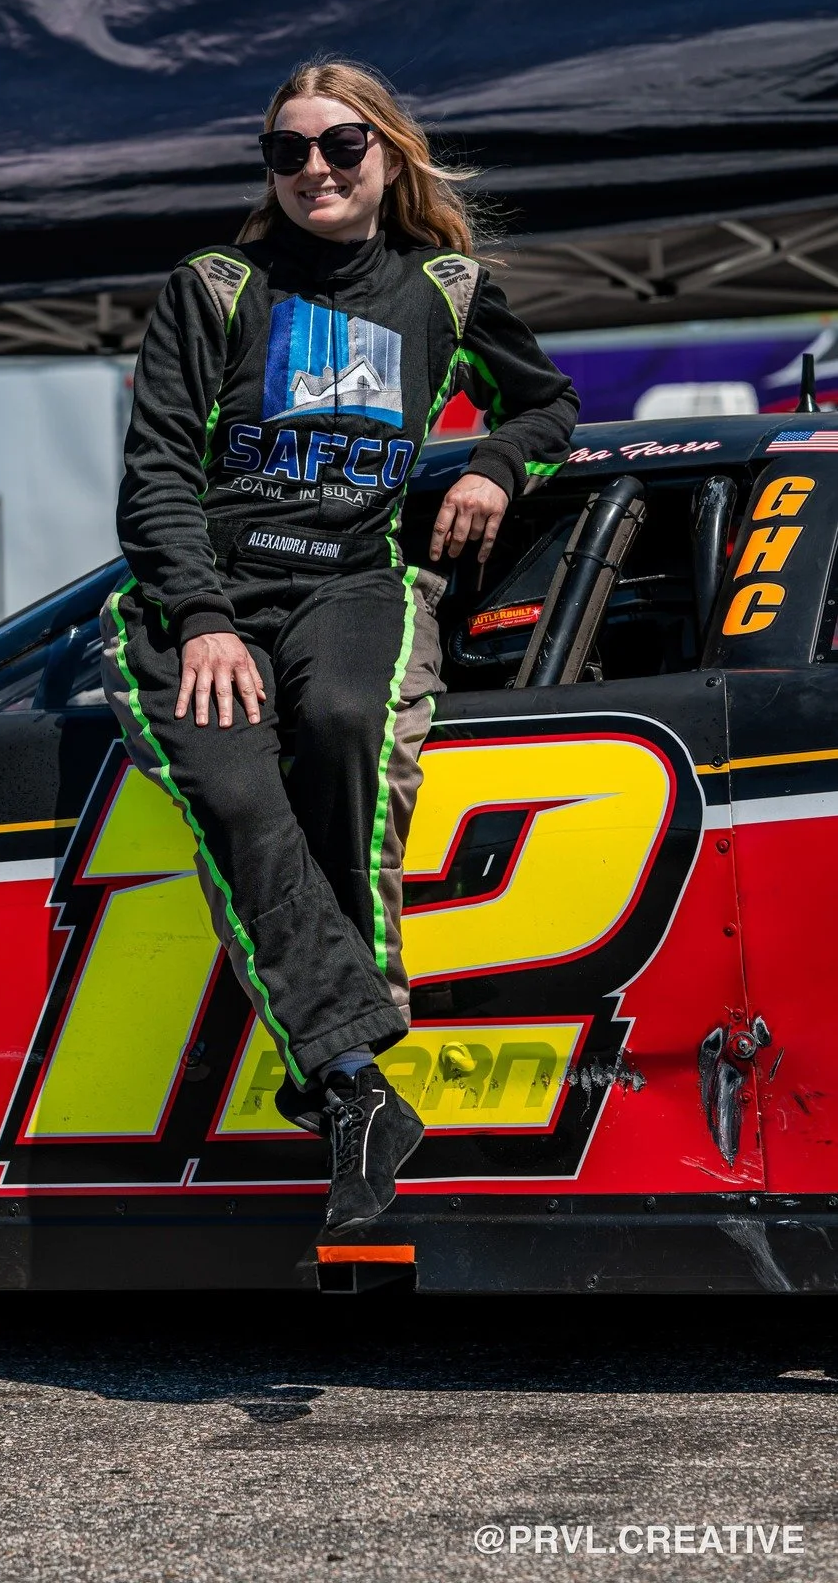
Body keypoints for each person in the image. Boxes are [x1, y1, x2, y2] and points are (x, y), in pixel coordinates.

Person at [101, 60, 578, 1235]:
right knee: (244, 804)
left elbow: (548, 404)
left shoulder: (445, 290)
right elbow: (156, 472)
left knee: (346, 722)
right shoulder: (216, 286)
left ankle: (332, 1069)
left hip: (352, 583)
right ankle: (358, 1082)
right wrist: (206, 619)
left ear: (391, 155)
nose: (315, 167)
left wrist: (492, 463)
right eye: (288, 150)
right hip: (202, 596)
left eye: (342, 145)